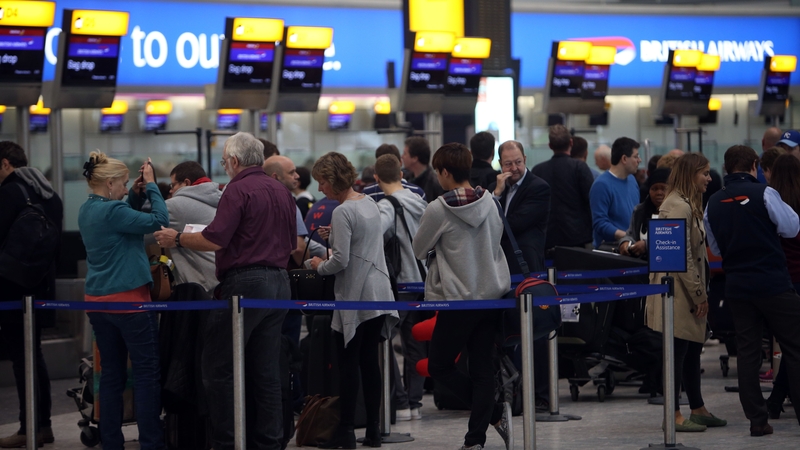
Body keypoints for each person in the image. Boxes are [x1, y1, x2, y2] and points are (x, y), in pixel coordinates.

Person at [155, 132, 297, 449]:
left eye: (224, 162)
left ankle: (228, 442)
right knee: (266, 370)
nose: (225, 167)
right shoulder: (281, 190)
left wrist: (176, 239)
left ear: (233, 160)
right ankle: (269, 442)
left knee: (218, 366)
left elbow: (214, 239)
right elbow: (292, 244)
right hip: (280, 283)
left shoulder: (237, 189)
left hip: (246, 284)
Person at [412, 143, 512, 450]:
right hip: (491, 296)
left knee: (440, 366)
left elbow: (418, 249)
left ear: (445, 172)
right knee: (482, 370)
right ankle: (475, 439)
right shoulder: (490, 202)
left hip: (458, 300)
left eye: (437, 172)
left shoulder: (438, 208)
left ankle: (493, 415)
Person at [705, 145, 800, 437]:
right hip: (773, 283)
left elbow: (715, 247)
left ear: (726, 167)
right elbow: (791, 227)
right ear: (754, 165)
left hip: (737, 287)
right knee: (795, 347)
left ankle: (758, 421)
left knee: (747, 353)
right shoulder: (765, 193)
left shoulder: (713, 203)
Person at [308, 152, 399, 448]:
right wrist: (335, 236)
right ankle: (373, 430)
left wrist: (318, 265)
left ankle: (346, 431)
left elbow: (341, 261)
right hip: (378, 293)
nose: (319, 188)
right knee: (369, 362)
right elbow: (364, 242)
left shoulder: (342, 211)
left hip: (355, 294)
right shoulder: (369, 202)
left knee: (348, 365)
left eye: (322, 182)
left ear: (332, 179)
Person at [79, 152, 168, 450]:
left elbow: (120, 219)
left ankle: (112, 443)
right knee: (146, 374)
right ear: (110, 183)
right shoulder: (114, 211)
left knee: (111, 376)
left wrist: (134, 195)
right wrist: (152, 186)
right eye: (124, 183)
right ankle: (151, 443)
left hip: (97, 302)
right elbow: (159, 221)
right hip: (131, 303)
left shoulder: (86, 209)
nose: (126, 188)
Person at [646, 154, 727, 432]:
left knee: (692, 349)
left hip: (684, 290)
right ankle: (673, 415)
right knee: (677, 352)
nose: (709, 178)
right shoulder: (678, 206)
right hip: (678, 292)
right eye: (704, 173)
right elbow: (682, 258)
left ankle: (697, 407)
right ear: (691, 174)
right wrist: (699, 294)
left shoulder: (687, 203)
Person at [0, 142, 62, 448]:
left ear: (5, 164)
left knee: (22, 358)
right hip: (42, 286)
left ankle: (29, 428)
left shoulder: (9, 193)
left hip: (12, 288)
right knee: (33, 355)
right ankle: (42, 425)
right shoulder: (50, 195)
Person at [490, 140, 551, 411]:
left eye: (518, 162)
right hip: (501, 270)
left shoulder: (539, 187)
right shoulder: (498, 189)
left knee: (534, 334)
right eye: (508, 163)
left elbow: (510, 224)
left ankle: (539, 396)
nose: (514, 168)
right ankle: (510, 393)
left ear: (525, 159)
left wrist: (494, 201)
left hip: (527, 269)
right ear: (500, 164)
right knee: (507, 331)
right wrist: (496, 193)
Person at [373, 154, 428, 422]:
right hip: (423, 280)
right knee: (415, 343)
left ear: (376, 178)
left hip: (401, 282)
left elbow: (375, 236)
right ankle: (415, 402)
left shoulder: (386, 205)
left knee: (383, 339)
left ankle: (400, 401)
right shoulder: (420, 201)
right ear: (401, 175)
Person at [760, 153, 800, 419]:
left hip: (781, 280)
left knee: (791, 346)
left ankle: (775, 399)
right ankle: (777, 399)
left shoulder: (770, 204)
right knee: (795, 347)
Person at [144, 161, 220, 296]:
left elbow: (142, 232)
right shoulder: (221, 199)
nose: (170, 191)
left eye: (173, 185)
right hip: (221, 280)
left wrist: (148, 186)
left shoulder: (176, 206)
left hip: (200, 288)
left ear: (186, 183)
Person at [532, 125, 594, 252]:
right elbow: (591, 200)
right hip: (577, 239)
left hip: (546, 240)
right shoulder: (579, 167)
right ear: (571, 142)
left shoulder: (538, 170)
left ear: (550, 145)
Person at [589, 137, 641, 248]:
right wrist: (626, 236)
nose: (639, 160)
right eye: (636, 156)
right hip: (610, 249)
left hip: (631, 245)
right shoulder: (601, 185)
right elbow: (599, 223)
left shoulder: (632, 180)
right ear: (624, 159)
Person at [619, 168, 670, 259]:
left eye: (664, 189)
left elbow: (674, 240)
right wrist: (625, 243)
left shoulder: (677, 212)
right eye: (654, 189)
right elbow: (630, 234)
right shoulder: (639, 211)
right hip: (641, 263)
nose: (659, 193)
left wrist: (647, 245)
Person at [403, 136, 444, 203]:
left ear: (414, 158)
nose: (402, 157)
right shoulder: (405, 179)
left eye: (405, 153)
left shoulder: (436, 185)